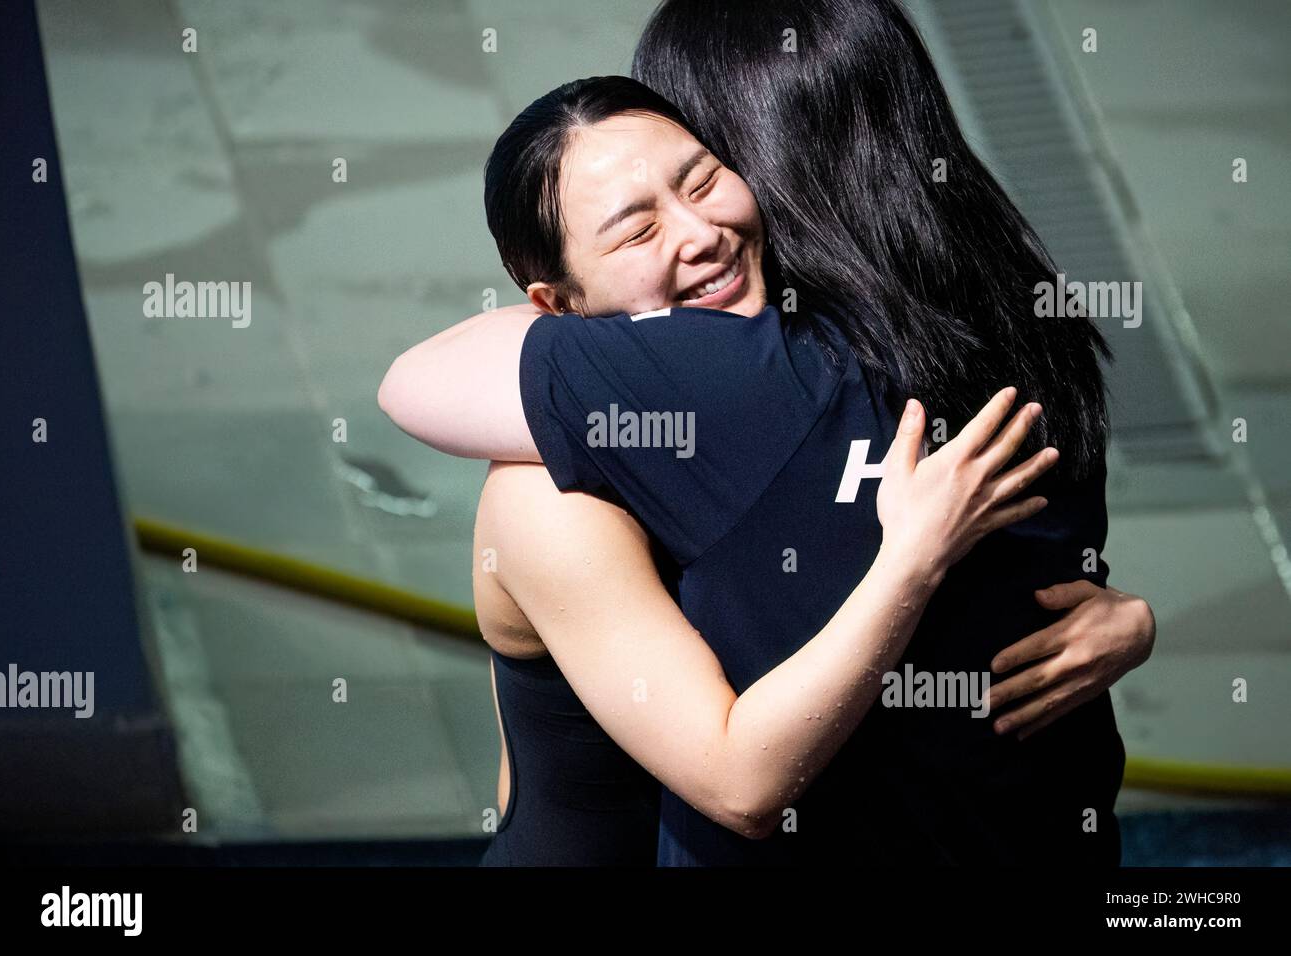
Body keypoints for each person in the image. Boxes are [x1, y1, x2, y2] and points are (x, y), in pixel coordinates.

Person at [381, 74, 1150, 867]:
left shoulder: (785, 378)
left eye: (705, 180)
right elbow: (740, 783)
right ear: (559, 306)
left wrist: (1122, 617)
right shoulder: (545, 499)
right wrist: (912, 561)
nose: (699, 232)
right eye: (636, 232)